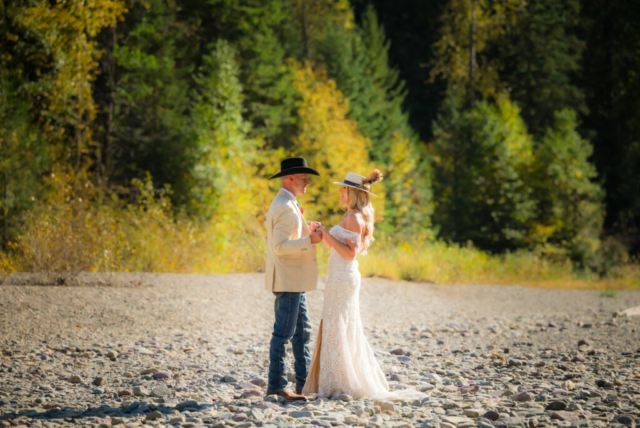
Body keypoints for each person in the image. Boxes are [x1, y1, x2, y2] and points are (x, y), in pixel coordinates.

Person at [303, 170, 428, 401]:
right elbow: (336, 247)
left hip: (343, 278)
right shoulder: (351, 215)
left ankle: (341, 380)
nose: (340, 191)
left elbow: (350, 254)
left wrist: (327, 234)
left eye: (343, 188)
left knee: (338, 322)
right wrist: (322, 234)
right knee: (338, 322)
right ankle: (336, 377)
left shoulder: (354, 218)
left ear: (352, 192)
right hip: (340, 277)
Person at [264, 157, 324, 402]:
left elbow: (288, 237)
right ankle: (276, 385)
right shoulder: (285, 206)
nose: (308, 181)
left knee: (302, 333)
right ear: (290, 178)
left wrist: (306, 231)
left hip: (294, 281)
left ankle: (304, 384)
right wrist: (310, 240)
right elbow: (279, 247)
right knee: (284, 334)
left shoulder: (286, 202)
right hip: (288, 281)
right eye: (304, 177)